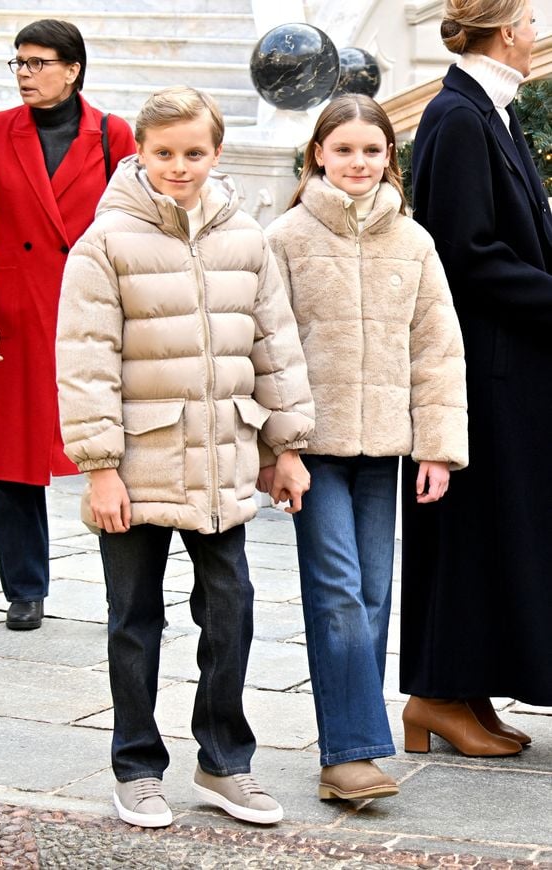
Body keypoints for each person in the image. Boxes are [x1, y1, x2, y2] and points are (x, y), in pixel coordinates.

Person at [56, 86, 315, 828]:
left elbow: (276, 345)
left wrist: (287, 447)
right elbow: (85, 361)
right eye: (164, 153)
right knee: (133, 621)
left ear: (216, 152)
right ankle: (136, 767)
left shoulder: (248, 239)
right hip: (135, 468)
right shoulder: (105, 243)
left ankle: (224, 762)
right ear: (141, 150)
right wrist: (100, 466)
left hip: (222, 462)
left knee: (230, 611)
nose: (179, 166)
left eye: (194, 153)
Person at [263, 94, 468, 802]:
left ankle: (351, 740)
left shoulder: (413, 242)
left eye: (372, 151)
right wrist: (280, 448)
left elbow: (438, 349)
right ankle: (348, 754)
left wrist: (437, 448)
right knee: (338, 594)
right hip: (313, 449)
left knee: (373, 594)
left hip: (384, 451)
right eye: (343, 149)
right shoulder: (285, 238)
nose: (358, 162)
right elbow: (267, 348)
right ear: (318, 152)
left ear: (390, 160)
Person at [400, 0, 552, 756]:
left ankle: (468, 691)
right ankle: (435, 693)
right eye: (529, 21)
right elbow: (464, 251)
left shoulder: (489, 108)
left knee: (497, 529)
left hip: (508, 364)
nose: (536, 33)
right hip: (480, 367)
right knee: (468, 529)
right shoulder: (457, 115)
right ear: (504, 31)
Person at [0, 19, 135, 630]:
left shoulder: (112, 135)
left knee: (114, 448)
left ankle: (126, 584)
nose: (24, 75)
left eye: (37, 63)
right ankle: (24, 588)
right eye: (17, 63)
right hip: (14, 313)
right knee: (13, 456)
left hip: (92, 309)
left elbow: (132, 220)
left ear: (72, 69)